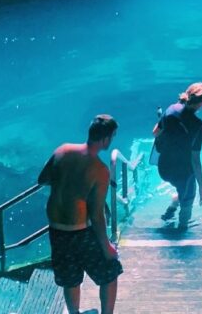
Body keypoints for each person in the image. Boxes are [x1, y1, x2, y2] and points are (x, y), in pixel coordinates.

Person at [38, 114, 123, 314]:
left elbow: (42, 179)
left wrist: (67, 184)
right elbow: (96, 216)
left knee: (70, 278)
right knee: (110, 272)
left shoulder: (63, 150)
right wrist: (107, 247)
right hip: (79, 233)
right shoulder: (101, 170)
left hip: (56, 231)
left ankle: (74, 313)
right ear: (106, 139)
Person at [152, 82, 202, 229]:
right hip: (183, 173)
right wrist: (201, 188)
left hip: (164, 168)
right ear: (200, 104)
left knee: (179, 189)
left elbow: (155, 132)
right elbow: (195, 160)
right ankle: (182, 230)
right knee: (187, 204)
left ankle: (172, 207)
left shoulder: (171, 109)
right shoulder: (198, 125)